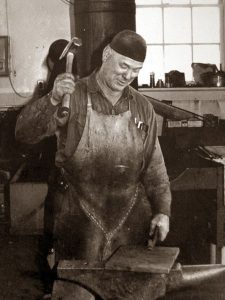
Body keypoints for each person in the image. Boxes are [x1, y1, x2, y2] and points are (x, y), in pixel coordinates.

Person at [15, 30, 172, 299]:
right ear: (106, 55)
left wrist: (163, 210)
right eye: (123, 66)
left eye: (136, 70)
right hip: (79, 222)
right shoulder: (72, 97)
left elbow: (154, 167)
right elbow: (24, 134)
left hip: (130, 223)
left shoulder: (142, 107)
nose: (128, 75)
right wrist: (52, 100)